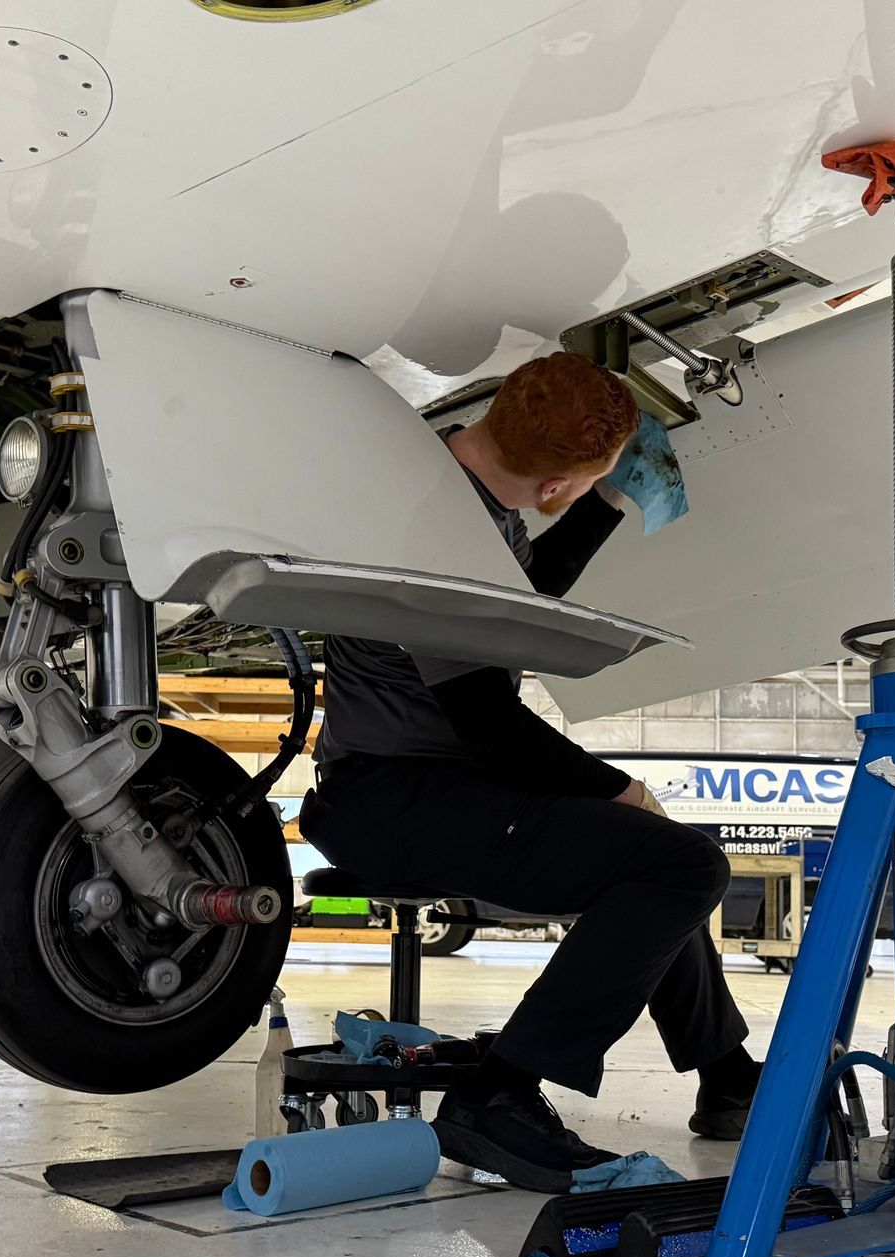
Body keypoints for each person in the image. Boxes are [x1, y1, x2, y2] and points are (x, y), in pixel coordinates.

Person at [299, 352, 763, 1192]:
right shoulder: (435, 536)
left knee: (652, 851)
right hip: (392, 800)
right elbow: (489, 719)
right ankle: (497, 1097)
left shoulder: (452, 487)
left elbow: (510, 606)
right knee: (671, 856)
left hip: (436, 786)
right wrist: (618, 785)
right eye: (582, 485)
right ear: (553, 487)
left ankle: (727, 1077)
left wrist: (612, 498)